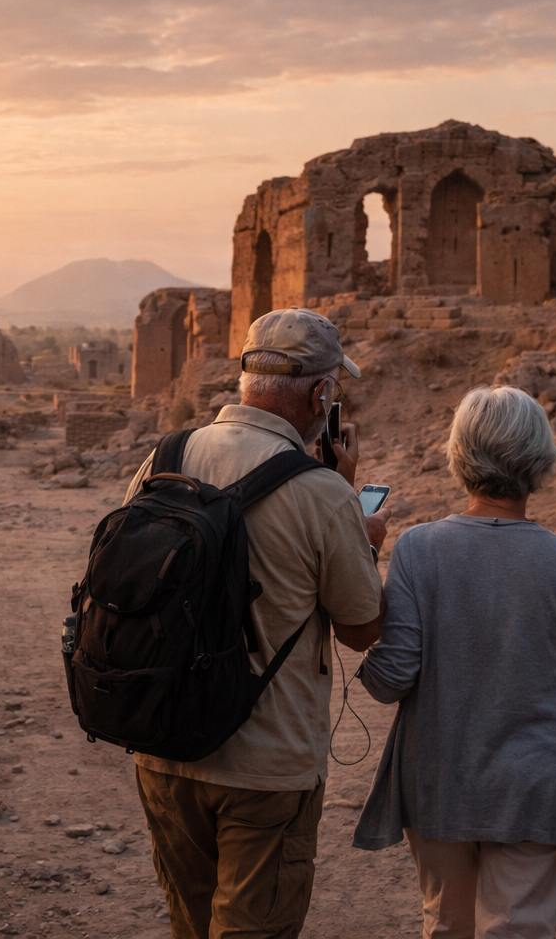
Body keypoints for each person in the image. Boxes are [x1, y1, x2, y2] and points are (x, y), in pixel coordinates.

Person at [120, 307, 391, 939]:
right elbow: (360, 627)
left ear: (245, 377)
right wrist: (358, 523)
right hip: (267, 770)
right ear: (322, 395)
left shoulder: (166, 455)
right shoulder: (322, 494)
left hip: (165, 748)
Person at [353, 385, 556, 939]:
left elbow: (391, 679)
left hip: (438, 783)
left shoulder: (418, 549)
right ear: (541, 461)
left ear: (459, 458)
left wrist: (359, 646)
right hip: (540, 787)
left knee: (445, 927)